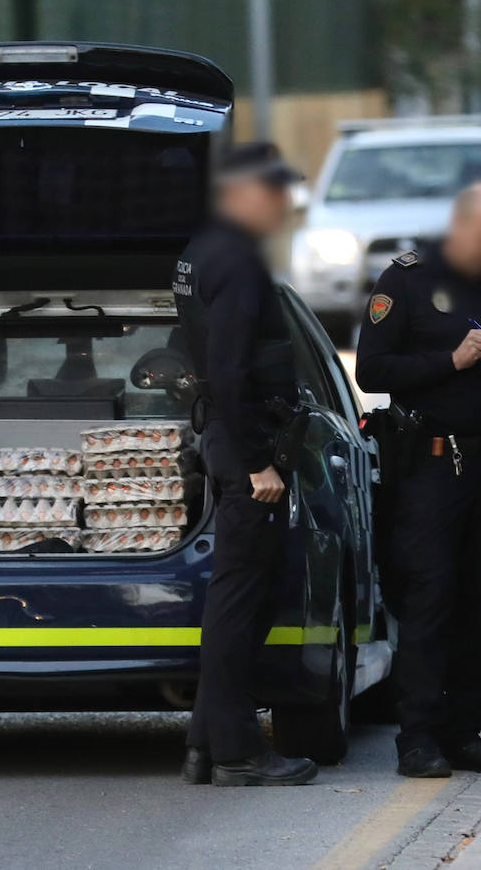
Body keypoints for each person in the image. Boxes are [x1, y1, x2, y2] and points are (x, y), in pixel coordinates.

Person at [355, 182, 481, 778]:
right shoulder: (405, 280)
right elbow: (374, 368)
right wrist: (450, 361)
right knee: (430, 600)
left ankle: (466, 732)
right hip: (431, 465)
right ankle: (419, 738)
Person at [172, 142, 319, 786]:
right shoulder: (235, 259)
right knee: (240, 602)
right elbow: (228, 368)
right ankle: (237, 752)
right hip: (244, 445)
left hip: (226, 436)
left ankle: (207, 744)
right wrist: (260, 462)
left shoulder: (198, 249)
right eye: (274, 193)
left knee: (243, 597)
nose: (282, 206)